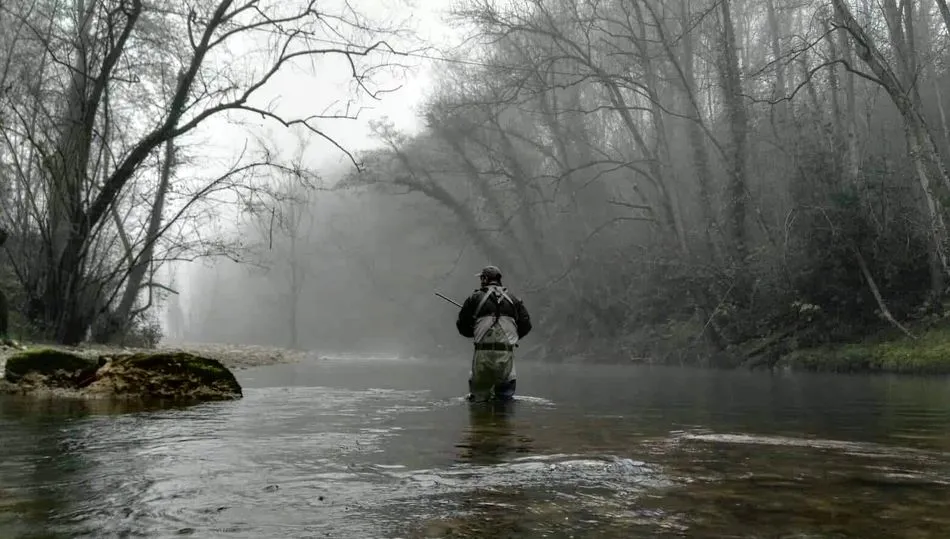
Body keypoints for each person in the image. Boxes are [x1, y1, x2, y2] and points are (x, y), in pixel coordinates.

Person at [456, 265, 532, 402]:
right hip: (506, 355)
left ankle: (482, 422)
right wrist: (511, 339)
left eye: (481, 278)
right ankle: (501, 421)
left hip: (482, 356)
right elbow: (526, 326)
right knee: (504, 400)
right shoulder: (514, 300)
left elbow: (462, 327)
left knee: (478, 400)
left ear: (485, 279)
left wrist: (475, 331)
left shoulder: (474, 298)